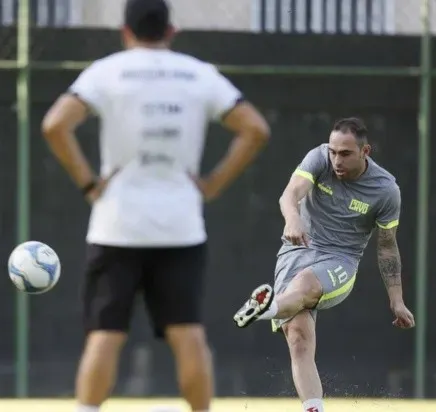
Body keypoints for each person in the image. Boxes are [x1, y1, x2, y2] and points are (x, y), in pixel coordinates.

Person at [40, 0, 270, 411]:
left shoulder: (107, 71)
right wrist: (213, 184)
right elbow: (254, 128)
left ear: (125, 32)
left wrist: (89, 183)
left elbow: (55, 124)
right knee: (188, 333)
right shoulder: (199, 75)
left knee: (104, 333)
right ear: (171, 31)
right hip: (180, 227)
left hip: (116, 226)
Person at [231, 117, 415, 412]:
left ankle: (268, 308)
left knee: (305, 284)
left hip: (339, 261)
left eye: (345, 154)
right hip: (295, 252)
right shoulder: (319, 157)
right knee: (298, 338)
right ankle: (314, 408)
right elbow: (290, 194)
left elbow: (387, 247)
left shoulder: (385, 189)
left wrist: (397, 300)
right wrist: (293, 218)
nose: (336, 160)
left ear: (365, 151)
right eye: (333, 152)